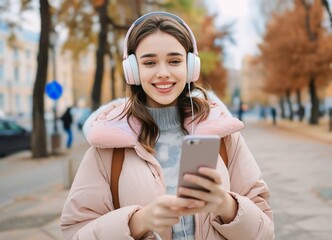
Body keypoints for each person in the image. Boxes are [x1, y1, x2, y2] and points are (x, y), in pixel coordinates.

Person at [60, 11, 274, 240]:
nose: (163, 73)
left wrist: (226, 205)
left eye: (174, 61)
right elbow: (76, 232)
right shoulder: (108, 145)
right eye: (150, 62)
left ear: (191, 66)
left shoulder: (223, 136)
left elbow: (265, 231)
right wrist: (138, 221)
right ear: (132, 70)